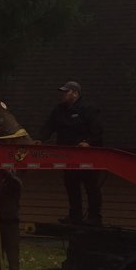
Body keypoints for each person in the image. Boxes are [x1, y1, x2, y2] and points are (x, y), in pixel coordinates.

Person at [39, 80, 103, 226]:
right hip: (67, 155)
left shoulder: (88, 109)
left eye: (66, 92)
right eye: (62, 92)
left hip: (87, 156)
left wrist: (88, 142)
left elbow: (97, 129)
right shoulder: (59, 110)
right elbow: (49, 126)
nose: (62, 95)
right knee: (71, 184)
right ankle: (75, 215)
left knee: (91, 186)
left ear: (75, 93)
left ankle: (94, 217)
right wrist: (40, 139)